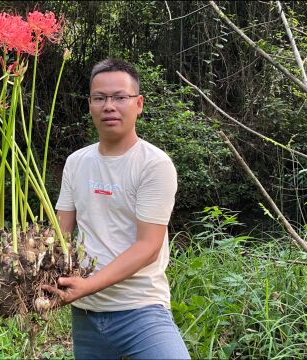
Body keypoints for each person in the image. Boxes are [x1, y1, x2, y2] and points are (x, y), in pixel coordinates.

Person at [42, 58, 190, 359]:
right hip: (85, 314)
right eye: (100, 98)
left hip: (140, 308)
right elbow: (62, 233)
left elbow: (148, 246)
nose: (109, 106)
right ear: (90, 105)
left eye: (120, 97)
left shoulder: (154, 164)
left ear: (139, 103)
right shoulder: (77, 162)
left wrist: (87, 285)